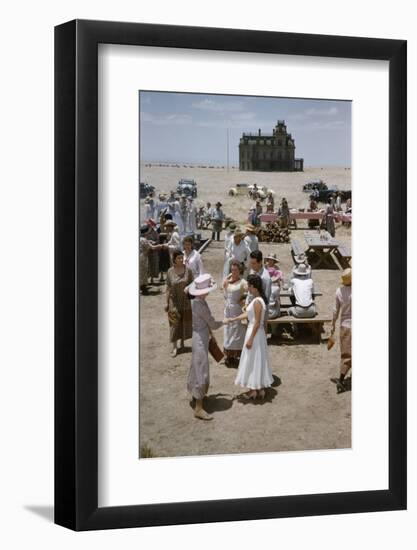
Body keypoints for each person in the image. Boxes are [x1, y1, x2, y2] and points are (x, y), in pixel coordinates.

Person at [227, 274, 273, 400]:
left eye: (248, 284)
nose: (246, 286)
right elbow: (248, 314)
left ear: (253, 287)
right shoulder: (256, 299)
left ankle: (254, 390)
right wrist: (235, 319)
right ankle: (260, 389)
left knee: (253, 360)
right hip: (256, 332)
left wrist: (251, 339)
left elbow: (257, 322)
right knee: (257, 359)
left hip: (254, 333)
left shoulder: (257, 301)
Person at [187, 274, 224, 420]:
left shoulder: (197, 301)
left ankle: (198, 396)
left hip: (200, 335)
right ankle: (199, 407)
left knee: (197, 367)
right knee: (201, 370)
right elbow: (212, 323)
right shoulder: (199, 305)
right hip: (200, 339)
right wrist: (224, 322)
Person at [165, 249, 194, 357]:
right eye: (179, 258)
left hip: (185, 301)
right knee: (174, 323)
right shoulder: (170, 271)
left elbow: (193, 284)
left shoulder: (188, 270)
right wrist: (166, 302)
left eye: (182, 257)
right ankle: (174, 347)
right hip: (174, 301)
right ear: (174, 259)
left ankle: (182, 343)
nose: (181, 259)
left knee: (184, 322)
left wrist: (189, 289)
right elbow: (168, 288)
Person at [330, 268, 352, 394]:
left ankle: (341, 379)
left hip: (345, 326)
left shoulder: (339, 291)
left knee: (346, 354)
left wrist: (333, 325)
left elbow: (335, 311)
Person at [223, 261, 248, 367]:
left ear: (240, 271)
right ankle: (229, 356)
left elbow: (249, 292)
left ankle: (236, 356)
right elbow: (223, 287)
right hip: (228, 309)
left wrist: (242, 300)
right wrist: (229, 276)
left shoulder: (243, 282)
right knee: (228, 332)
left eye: (236, 270)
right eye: (232, 270)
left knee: (237, 333)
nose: (233, 272)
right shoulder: (228, 281)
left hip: (236, 310)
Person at [139, 225, 163, 295]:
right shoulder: (144, 239)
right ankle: (143, 288)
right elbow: (152, 248)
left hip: (141, 257)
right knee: (143, 273)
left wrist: (150, 242)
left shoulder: (141, 238)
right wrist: (160, 246)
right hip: (142, 258)